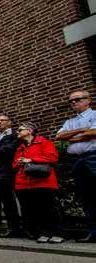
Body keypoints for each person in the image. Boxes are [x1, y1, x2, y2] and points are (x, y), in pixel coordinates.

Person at [13, 122, 63, 243]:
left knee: (49, 208)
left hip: (43, 182)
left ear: (29, 131)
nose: (17, 132)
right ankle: (43, 233)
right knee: (34, 210)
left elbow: (52, 157)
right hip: (25, 183)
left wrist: (31, 159)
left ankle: (57, 233)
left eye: (20, 130)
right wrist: (19, 162)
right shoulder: (20, 147)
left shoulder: (44, 142)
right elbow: (14, 164)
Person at [56, 90, 95, 242]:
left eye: (77, 99)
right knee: (86, 196)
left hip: (93, 157)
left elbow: (93, 133)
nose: (73, 103)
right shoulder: (69, 122)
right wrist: (81, 130)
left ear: (88, 100)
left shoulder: (94, 115)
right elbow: (59, 137)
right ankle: (93, 231)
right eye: (71, 101)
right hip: (77, 160)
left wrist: (72, 136)